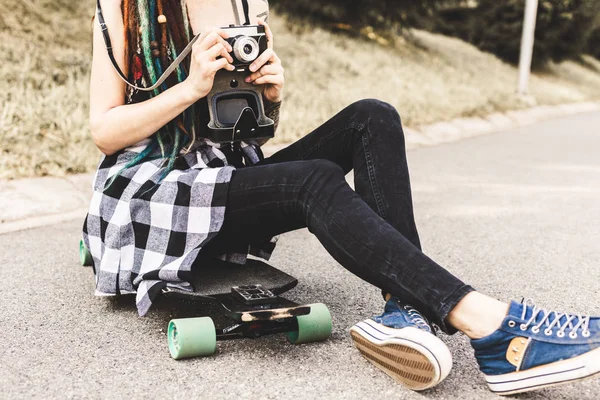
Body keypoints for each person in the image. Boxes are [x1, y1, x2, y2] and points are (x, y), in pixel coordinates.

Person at [85, 0, 600, 395]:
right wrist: (190, 88)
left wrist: (271, 97)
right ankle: (490, 326)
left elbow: (248, 136)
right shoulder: (126, 8)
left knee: (373, 116)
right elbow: (105, 132)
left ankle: (405, 311)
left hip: (222, 175)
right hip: (154, 192)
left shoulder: (244, 6)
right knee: (313, 178)